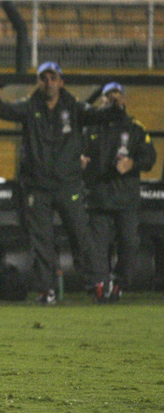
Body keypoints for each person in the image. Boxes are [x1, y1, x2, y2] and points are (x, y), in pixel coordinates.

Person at [0, 62, 125, 304]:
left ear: (61, 82)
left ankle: (97, 282)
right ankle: (46, 289)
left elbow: (99, 115)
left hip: (67, 185)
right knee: (41, 240)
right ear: (39, 81)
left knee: (80, 236)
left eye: (53, 78)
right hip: (37, 187)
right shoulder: (30, 107)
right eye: (44, 78)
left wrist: (116, 108)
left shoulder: (73, 108)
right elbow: (5, 111)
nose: (48, 82)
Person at [82, 82, 156, 300]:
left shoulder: (135, 127)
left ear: (123, 98)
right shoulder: (90, 127)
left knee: (130, 243)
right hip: (98, 197)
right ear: (102, 99)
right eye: (108, 94)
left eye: (117, 93)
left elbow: (150, 157)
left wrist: (132, 163)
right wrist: (80, 160)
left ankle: (119, 283)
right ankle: (100, 285)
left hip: (126, 198)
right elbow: (75, 150)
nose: (113, 97)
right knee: (97, 247)